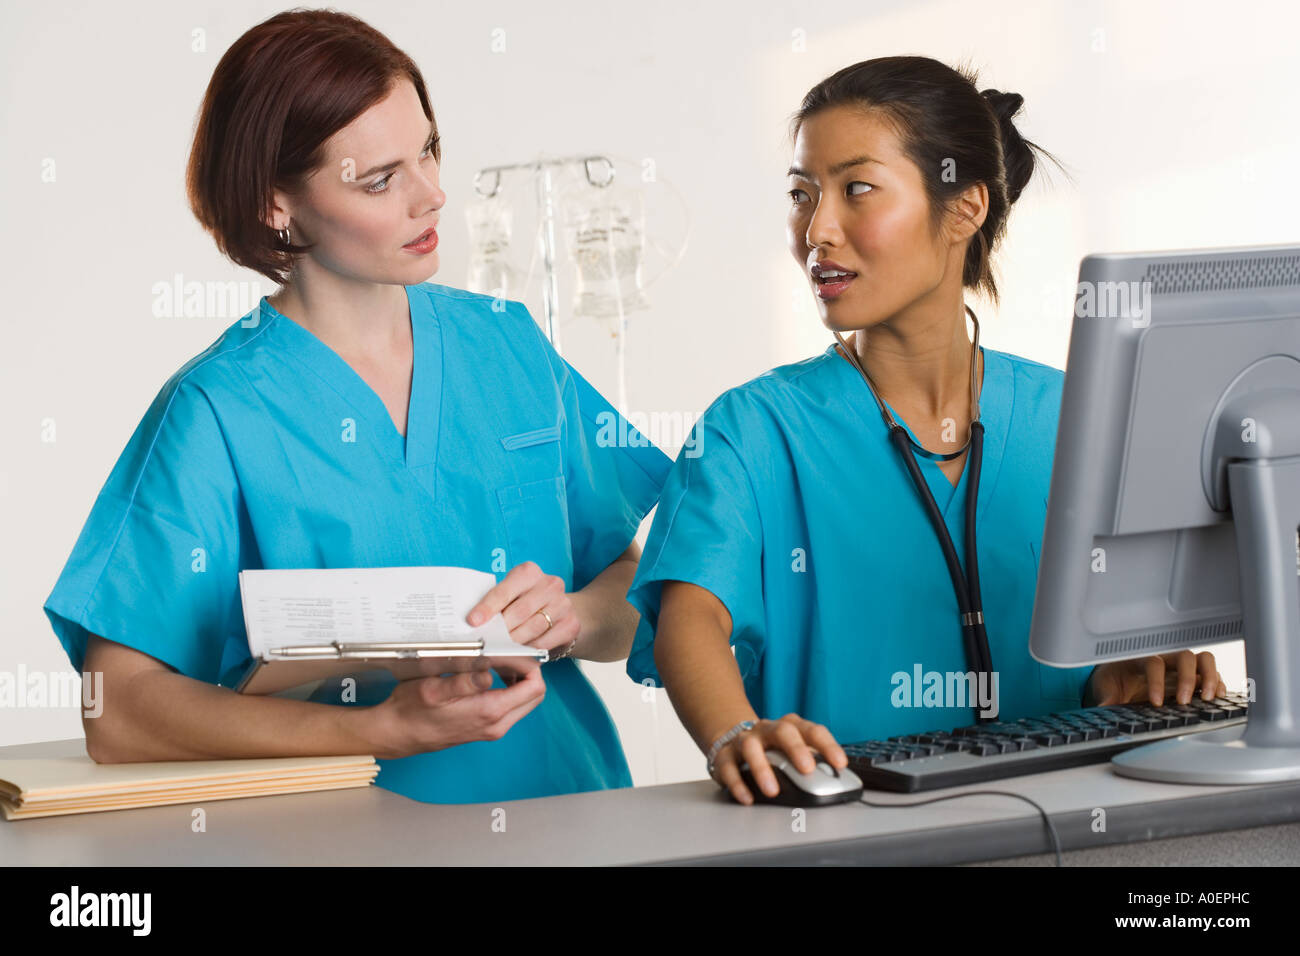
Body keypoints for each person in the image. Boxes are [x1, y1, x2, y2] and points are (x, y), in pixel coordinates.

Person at [42, 9, 671, 804]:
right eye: (380, 180)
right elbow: (120, 713)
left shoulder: (509, 346)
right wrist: (376, 730)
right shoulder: (216, 411)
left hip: (570, 813)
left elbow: (633, 585)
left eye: (430, 151)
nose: (433, 196)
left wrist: (574, 616)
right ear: (278, 205)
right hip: (347, 837)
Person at [625, 56, 1224, 805]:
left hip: (1072, 826)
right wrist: (733, 732)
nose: (817, 229)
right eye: (802, 195)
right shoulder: (754, 428)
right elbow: (692, 615)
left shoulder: (1075, 417)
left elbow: (1116, 635)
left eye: (857, 190)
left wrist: (1136, 674)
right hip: (842, 832)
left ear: (966, 208)